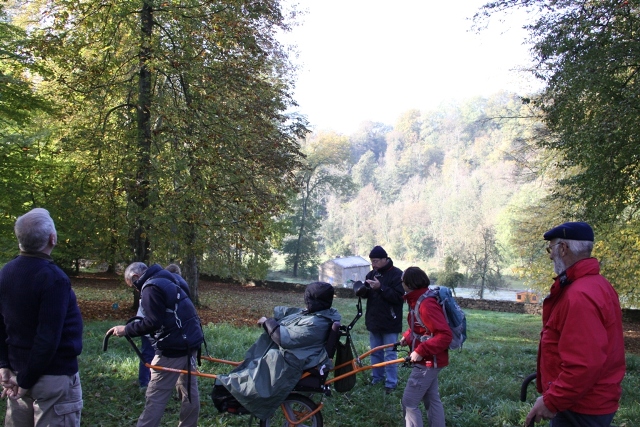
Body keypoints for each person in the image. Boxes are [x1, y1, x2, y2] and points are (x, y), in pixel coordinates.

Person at [525, 222, 626, 427]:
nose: (551, 255)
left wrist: (551, 401)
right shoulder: (599, 285)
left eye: (551, 249)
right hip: (589, 401)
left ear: (563, 248)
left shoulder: (579, 295)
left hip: (581, 407)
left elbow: (584, 364)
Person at [0, 207, 84, 426]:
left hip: (19, 376)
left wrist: (6, 367)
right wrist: (18, 375)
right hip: (50, 378)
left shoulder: (5, 272)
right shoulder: (53, 279)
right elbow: (47, 337)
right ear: (52, 239)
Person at [216, 281, 341, 420]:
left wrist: (266, 322)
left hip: (292, 361)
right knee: (254, 362)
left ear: (311, 299)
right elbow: (295, 314)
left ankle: (239, 396)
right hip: (302, 353)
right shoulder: (323, 314)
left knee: (254, 372)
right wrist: (274, 317)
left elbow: (283, 339)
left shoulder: (315, 323)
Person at [108, 262, 203, 427]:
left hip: (172, 349)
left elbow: (152, 322)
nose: (136, 289)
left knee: (156, 396)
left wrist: (126, 329)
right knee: (189, 390)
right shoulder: (171, 279)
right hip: (191, 342)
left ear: (136, 277)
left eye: (133, 285)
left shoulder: (151, 287)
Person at [399, 267, 452, 427]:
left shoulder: (426, 304)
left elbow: (444, 335)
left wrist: (421, 350)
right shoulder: (418, 299)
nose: (401, 284)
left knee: (409, 403)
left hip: (428, 362)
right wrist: (407, 337)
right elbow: (421, 327)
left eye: (402, 281)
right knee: (431, 398)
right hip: (431, 360)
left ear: (409, 283)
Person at [354, 245, 404, 393]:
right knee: (375, 352)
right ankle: (377, 379)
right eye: (371, 262)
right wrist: (361, 291)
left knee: (390, 353)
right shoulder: (370, 275)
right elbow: (368, 295)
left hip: (391, 321)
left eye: (376, 261)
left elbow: (399, 297)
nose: (373, 265)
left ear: (385, 259)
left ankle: (391, 383)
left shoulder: (397, 275)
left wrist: (381, 287)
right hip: (373, 320)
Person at [137, 263, 185, 390]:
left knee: (148, 354)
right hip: (149, 327)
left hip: (149, 326)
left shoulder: (156, 284)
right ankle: (146, 383)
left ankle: (146, 382)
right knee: (151, 355)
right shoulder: (162, 287)